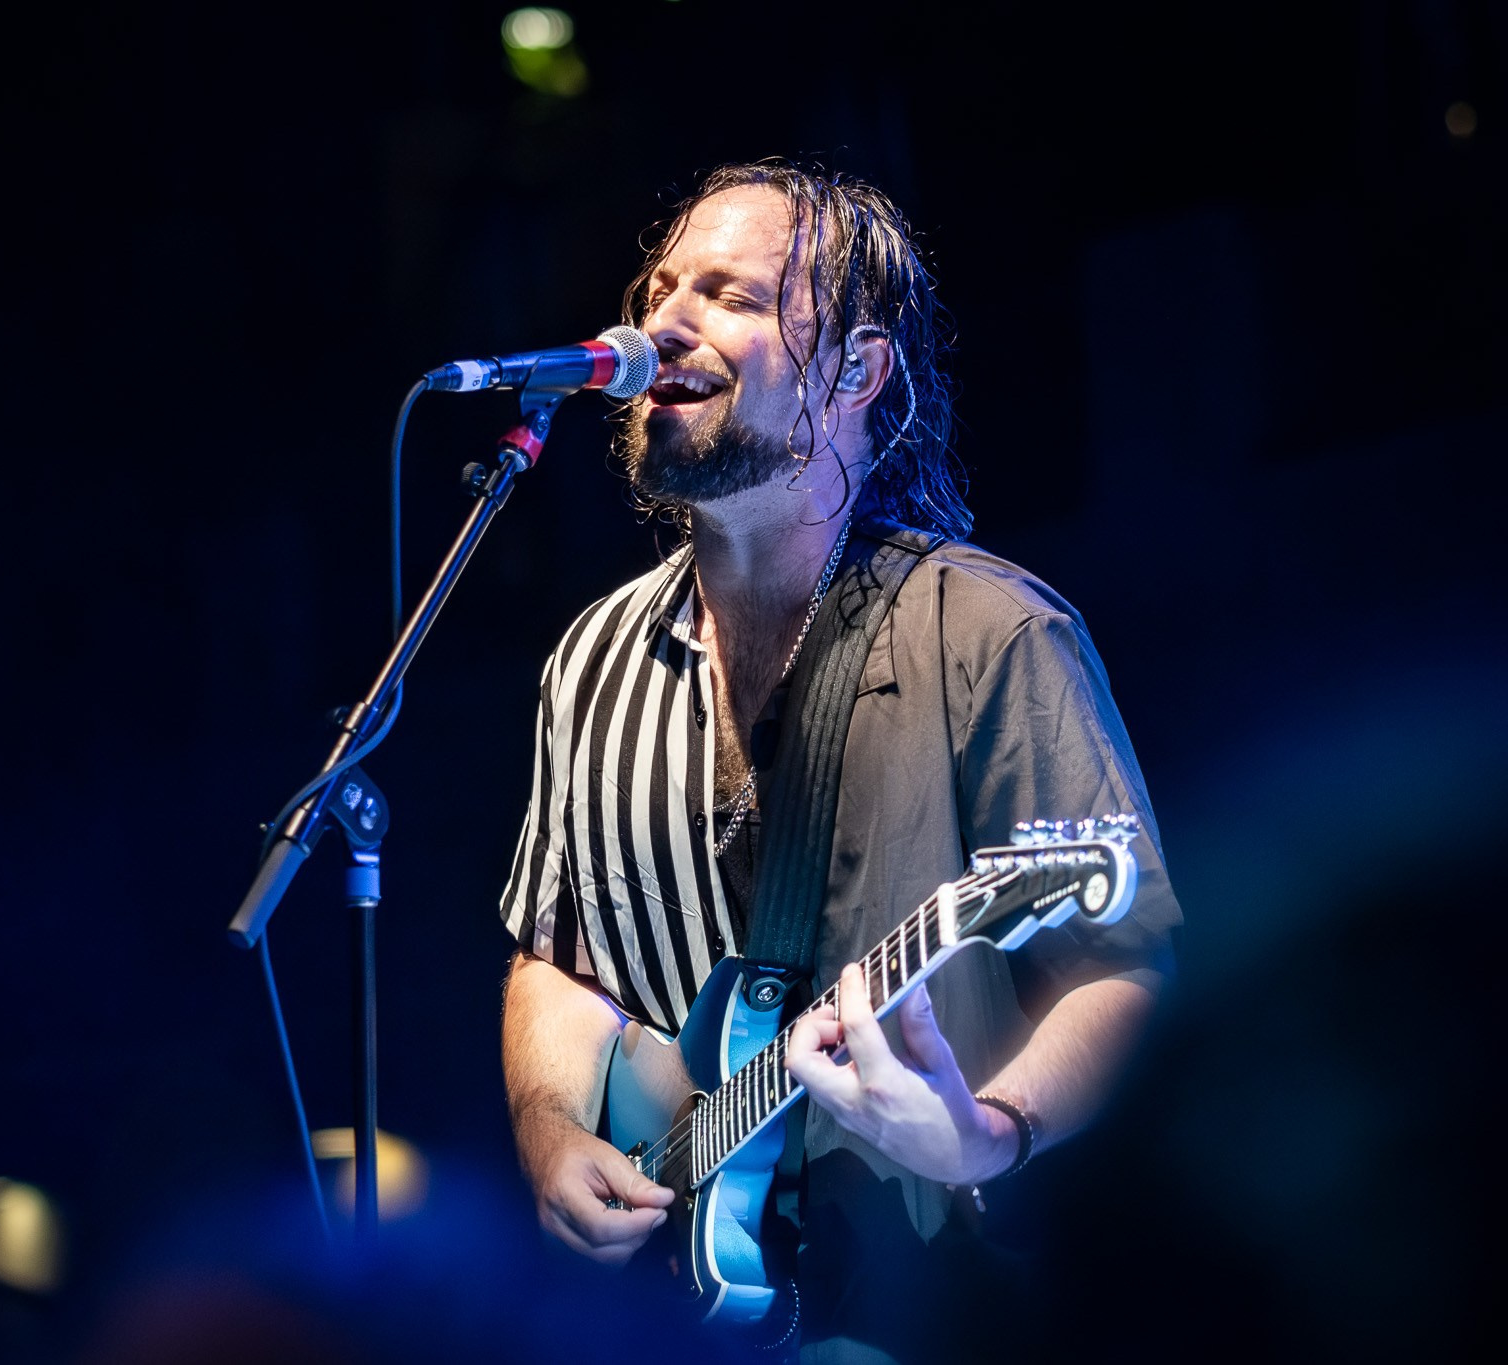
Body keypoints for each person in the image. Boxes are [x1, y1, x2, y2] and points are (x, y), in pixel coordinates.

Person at [497, 162, 1182, 1363]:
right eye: (660, 289)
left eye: (729, 295)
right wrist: (553, 1129)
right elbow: (560, 963)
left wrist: (988, 1132)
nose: (660, 324)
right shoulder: (588, 661)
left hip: (938, 1307)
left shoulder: (984, 634)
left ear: (857, 373)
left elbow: (1118, 964)